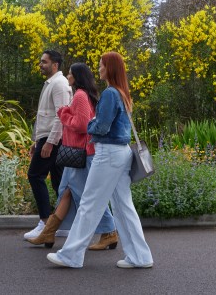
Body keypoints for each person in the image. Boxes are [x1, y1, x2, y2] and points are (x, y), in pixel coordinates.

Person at [47, 52, 153, 269]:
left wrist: (90, 125)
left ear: (110, 68)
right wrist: (95, 122)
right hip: (120, 153)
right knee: (123, 206)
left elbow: (101, 127)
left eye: (102, 65)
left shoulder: (110, 94)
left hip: (108, 154)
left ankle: (71, 255)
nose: (99, 68)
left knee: (88, 203)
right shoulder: (121, 93)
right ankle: (140, 257)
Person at [26, 62, 118, 249]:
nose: (67, 76)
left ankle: (109, 231)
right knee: (67, 192)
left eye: (70, 74)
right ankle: (49, 233)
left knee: (84, 195)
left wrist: (63, 114)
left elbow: (83, 125)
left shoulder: (80, 96)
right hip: (76, 153)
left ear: (77, 76)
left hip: (80, 154)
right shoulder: (82, 95)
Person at [23, 50, 72, 242]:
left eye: (44, 62)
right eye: (40, 62)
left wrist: (49, 142)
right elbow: (46, 115)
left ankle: (45, 222)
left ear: (55, 65)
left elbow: (62, 117)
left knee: (35, 175)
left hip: (54, 139)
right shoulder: (52, 83)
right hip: (49, 138)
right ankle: (62, 225)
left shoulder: (59, 84)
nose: (40, 64)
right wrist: (38, 141)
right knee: (59, 182)